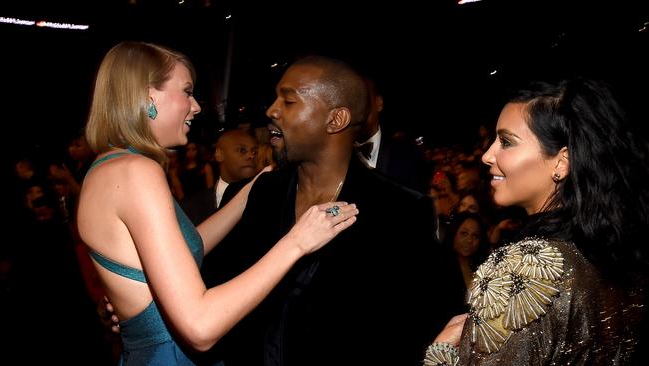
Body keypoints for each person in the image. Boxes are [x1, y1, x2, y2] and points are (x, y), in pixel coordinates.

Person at [77, 41, 358, 365]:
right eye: (187, 91)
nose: (196, 107)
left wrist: (250, 190)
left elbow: (186, 245)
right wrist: (297, 241)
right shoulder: (137, 172)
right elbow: (200, 325)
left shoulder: (107, 167)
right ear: (149, 97)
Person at [200, 55, 465, 366]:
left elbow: (420, 330)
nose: (272, 110)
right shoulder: (266, 191)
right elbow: (217, 284)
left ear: (335, 119)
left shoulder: (401, 209)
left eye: (288, 101)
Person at [425, 78, 649, 365]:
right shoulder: (619, 254)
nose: (486, 155)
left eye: (506, 142)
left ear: (561, 162)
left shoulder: (523, 269)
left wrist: (440, 352)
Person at [354, 75, 430, 193]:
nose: (356, 108)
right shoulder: (337, 157)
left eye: (363, 99)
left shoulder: (408, 153)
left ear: (379, 103)